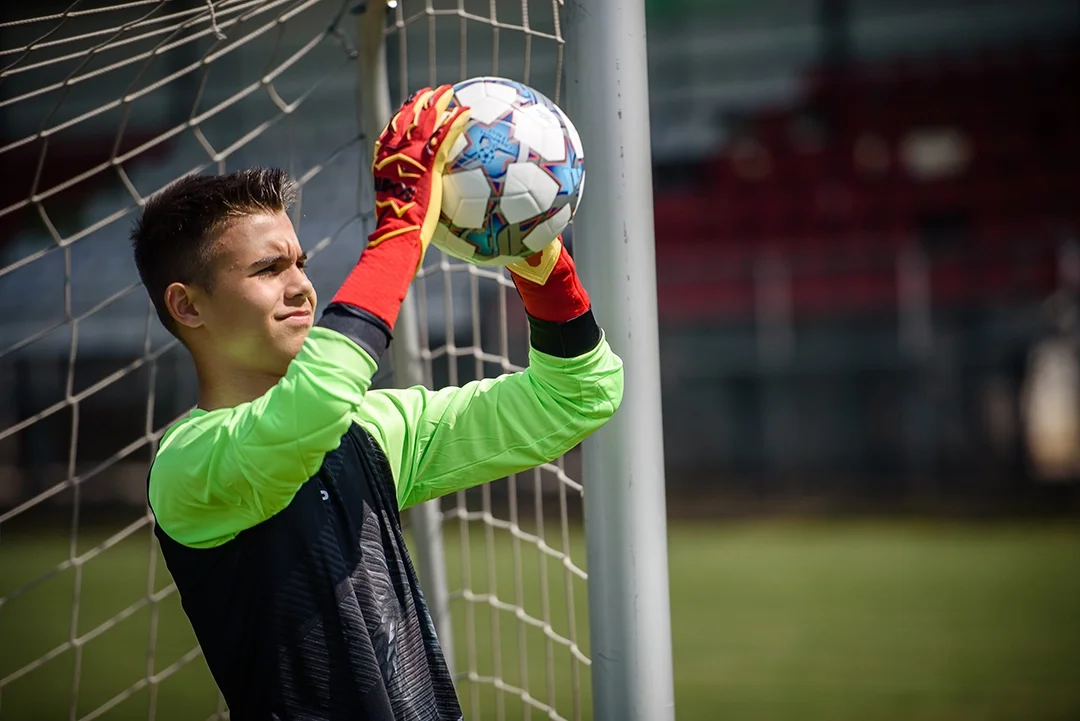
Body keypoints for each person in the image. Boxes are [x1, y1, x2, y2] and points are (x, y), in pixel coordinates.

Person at [131, 85, 623, 720]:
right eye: (267, 270)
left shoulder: (371, 428)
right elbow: (308, 412)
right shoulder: (189, 467)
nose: (302, 286)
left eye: (300, 263)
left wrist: (538, 257)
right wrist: (398, 235)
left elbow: (578, 397)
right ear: (187, 305)